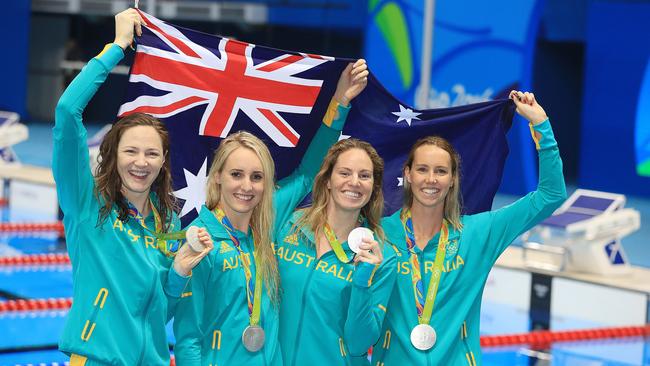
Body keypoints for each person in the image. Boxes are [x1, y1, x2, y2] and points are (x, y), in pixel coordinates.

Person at [172, 60, 370, 365]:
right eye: (237, 174)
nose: (246, 187)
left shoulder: (267, 221)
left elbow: (308, 173)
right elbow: (187, 339)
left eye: (257, 177)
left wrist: (339, 102)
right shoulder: (201, 239)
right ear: (218, 177)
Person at [53, 9, 213, 365]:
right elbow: (67, 113)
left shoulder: (167, 223)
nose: (141, 162)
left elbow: (161, 312)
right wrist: (118, 46)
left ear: (162, 161)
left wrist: (180, 271)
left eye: (151, 153)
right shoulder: (87, 205)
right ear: (113, 155)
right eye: (131, 151)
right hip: (96, 358)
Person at [371, 91, 567, 365]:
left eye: (441, 171)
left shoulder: (478, 233)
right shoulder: (378, 234)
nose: (431, 179)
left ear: (453, 179)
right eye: (422, 169)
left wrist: (541, 125)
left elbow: (551, 195)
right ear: (407, 174)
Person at [276, 138, 398, 365]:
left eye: (364, 176)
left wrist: (362, 281)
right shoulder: (288, 227)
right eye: (344, 173)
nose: (354, 182)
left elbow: (359, 344)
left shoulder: (383, 257)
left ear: (373, 187)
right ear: (328, 180)